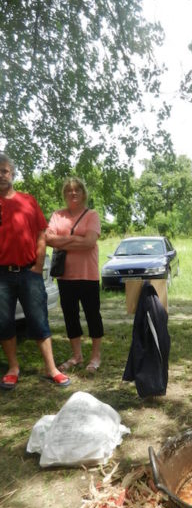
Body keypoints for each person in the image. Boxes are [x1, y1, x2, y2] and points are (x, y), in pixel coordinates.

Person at [0, 153, 70, 389]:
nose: (1, 175)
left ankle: (52, 369)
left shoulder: (28, 201)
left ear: (12, 174)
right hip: (1, 276)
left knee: (39, 320)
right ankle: (13, 368)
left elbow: (42, 233)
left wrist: (39, 265)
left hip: (29, 272)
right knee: (3, 322)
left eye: (5, 171)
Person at [46, 177, 103, 373]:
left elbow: (90, 243)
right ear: (65, 194)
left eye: (77, 190)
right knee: (70, 317)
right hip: (65, 277)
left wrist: (63, 240)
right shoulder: (57, 215)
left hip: (88, 275)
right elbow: (48, 239)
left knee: (92, 315)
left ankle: (95, 357)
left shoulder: (92, 215)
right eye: (69, 190)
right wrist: (76, 239)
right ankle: (77, 356)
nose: (73, 193)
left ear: (83, 193)